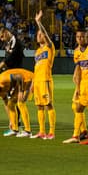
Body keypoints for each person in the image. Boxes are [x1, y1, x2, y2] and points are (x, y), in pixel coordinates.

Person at [65, 26, 88, 144]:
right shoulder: (76, 52)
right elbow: (79, 69)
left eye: (82, 36)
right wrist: (77, 87)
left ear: (87, 37)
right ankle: (77, 135)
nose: (80, 39)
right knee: (78, 108)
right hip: (83, 85)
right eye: (78, 37)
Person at [0, 67, 34, 138]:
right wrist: (11, 121)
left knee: (20, 103)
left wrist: (21, 91)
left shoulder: (3, 79)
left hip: (28, 78)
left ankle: (28, 131)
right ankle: (14, 129)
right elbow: (6, 104)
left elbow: (19, 77)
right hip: (20, 83)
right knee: (10, 104)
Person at [32, 11, 57, 140]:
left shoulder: (49, 47)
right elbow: (35, 69)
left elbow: (46, 36)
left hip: (45, 80)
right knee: (39, 106)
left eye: (41, 34)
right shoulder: (37, 52)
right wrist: (32, 84)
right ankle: (42, 131)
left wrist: (38, 22)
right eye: (38, 34)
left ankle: (51, 132)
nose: (39, 35)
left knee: (48, 105)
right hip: (37, 81)